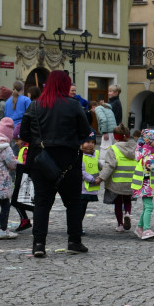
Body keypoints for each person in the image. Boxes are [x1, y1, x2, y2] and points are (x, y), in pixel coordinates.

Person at [20, 71, 91, 258]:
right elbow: (85, 132)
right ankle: (74, 241)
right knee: (74, 203)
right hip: (69, 160)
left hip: (42, 160)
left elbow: (24, 134)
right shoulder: (74, 106)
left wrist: (39, 141)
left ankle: (39, 244)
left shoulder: (34, 106)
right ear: (65, 85)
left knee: (42, 203)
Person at [97, 124, 136, 232]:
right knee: (128, 200)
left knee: (118, 203)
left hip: (117, 182)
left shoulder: (113, 149)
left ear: (115, 137)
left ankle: (120, 225)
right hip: (131, 180)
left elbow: (109, 165)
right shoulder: (135, 148)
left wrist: (101, 178)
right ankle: (127, 213)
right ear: (128, 136)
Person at [10, 124, 32, 233]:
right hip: (23, 181)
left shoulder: (26, 149)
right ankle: (25, 219)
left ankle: (26, 220)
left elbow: (24, 164)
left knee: (16, 201)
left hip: (25, 182)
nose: (15, 143)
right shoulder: (26, 148)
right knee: (19, 202)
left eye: (17, 140)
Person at [80, 132, 101, 229]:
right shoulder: (80, 155)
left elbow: (100, 165)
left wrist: (103, 175)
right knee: (79, 208)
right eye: (87, 142)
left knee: (83, 208)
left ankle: (78, 225)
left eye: (93, 142)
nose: (91, 144)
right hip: (80, 188)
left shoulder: (96, 154)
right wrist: (92, 179)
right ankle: (77, 226)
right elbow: (82, 171)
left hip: (90, 188)